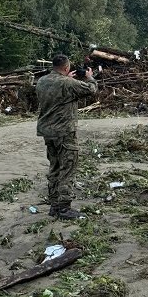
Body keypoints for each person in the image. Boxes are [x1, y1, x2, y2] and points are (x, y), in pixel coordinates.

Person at [36, 54, 97, 220]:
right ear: (66, 68)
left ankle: (54, 205)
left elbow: (56, 91)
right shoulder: (67, 83)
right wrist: (90, 78)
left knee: (54, 167)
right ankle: (64, 207)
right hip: (64, 131)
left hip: (47, 131)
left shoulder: (42, 81)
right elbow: (91, 90)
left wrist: (68, 79)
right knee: (68, 167)